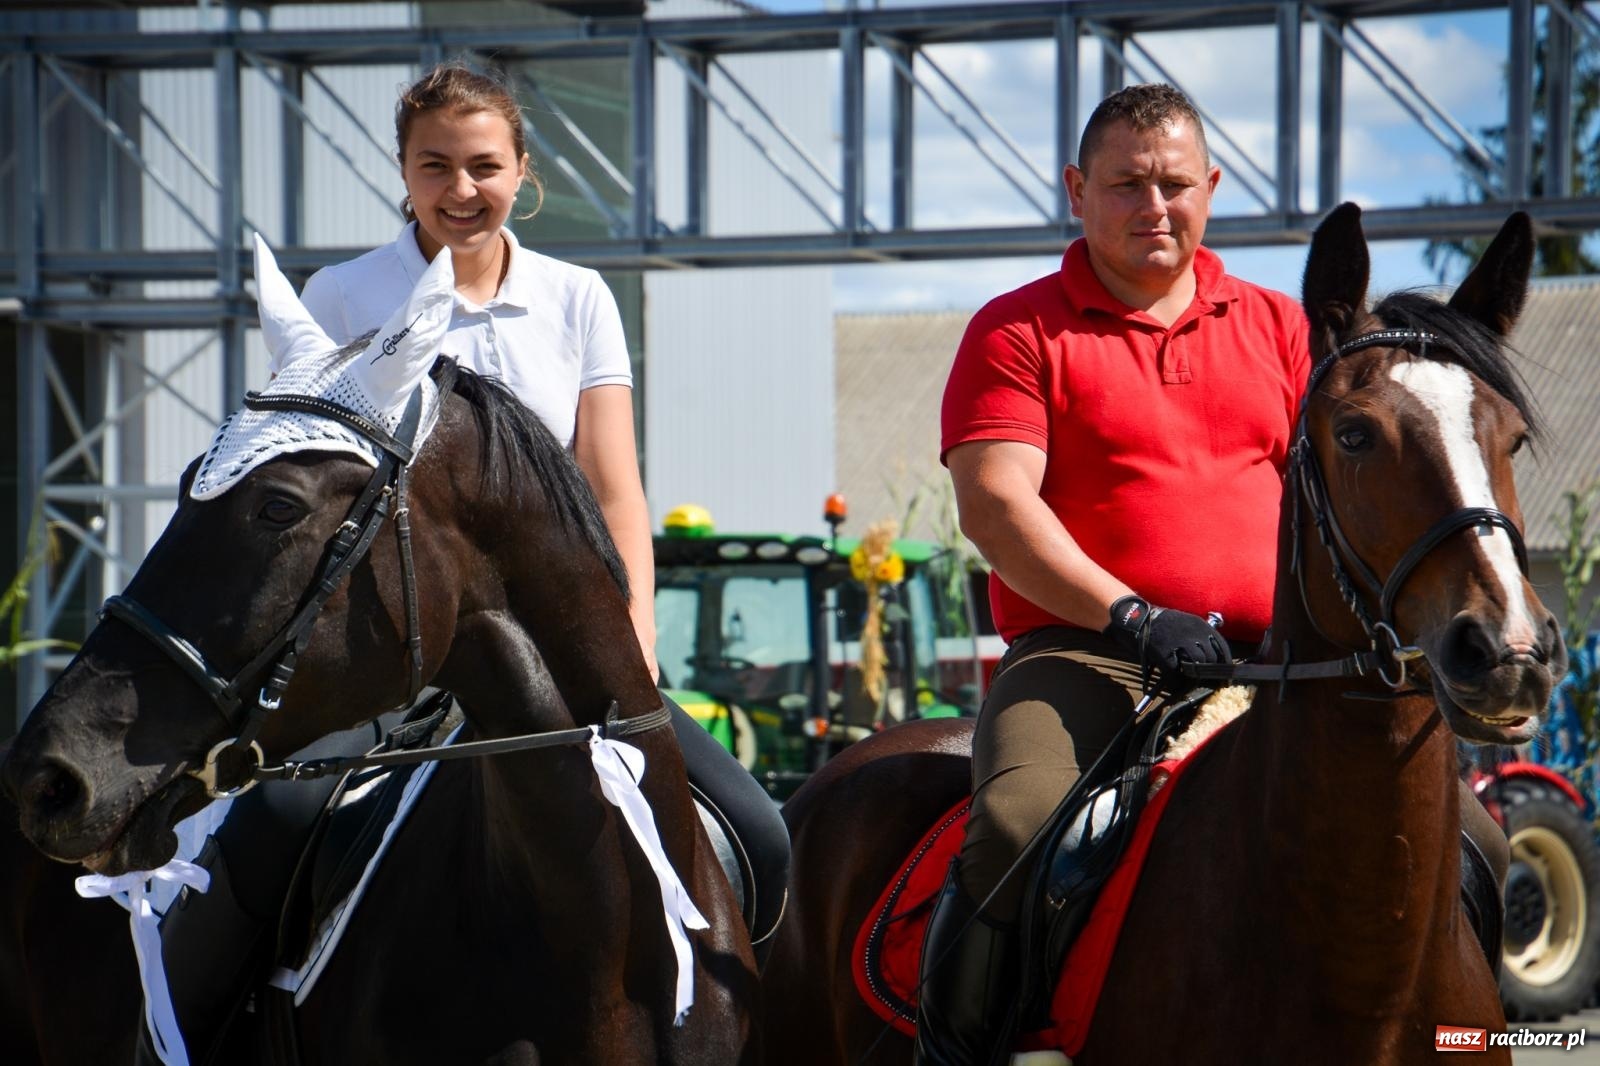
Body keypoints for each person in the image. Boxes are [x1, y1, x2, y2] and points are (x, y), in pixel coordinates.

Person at [143, 63, 789, 1066]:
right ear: (402, 174)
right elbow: (303, 495)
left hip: (557, 659)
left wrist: (633, 642)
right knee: (268, 819)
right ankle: (178, 1037)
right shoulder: (345, 294)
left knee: (758, 824)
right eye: (433, 164)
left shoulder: (578, 298)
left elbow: (613, 488)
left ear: (521, 171)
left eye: (483, 164)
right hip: (384, 658)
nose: (460, 188)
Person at [919, 83, 1506, 1064]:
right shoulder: (1017, 331)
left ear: (1212, 187)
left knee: (1474, 841)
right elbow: (996, 508)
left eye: (1175, 185)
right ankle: (962, 1050)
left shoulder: (1285, 331)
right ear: (1076, 189)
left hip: (1277, 668)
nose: (1155, 206)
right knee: (1017, 827)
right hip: (1088, 660)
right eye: (1127, 185)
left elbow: (1358, 490)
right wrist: (1131, 614)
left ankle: (1467, 1040)